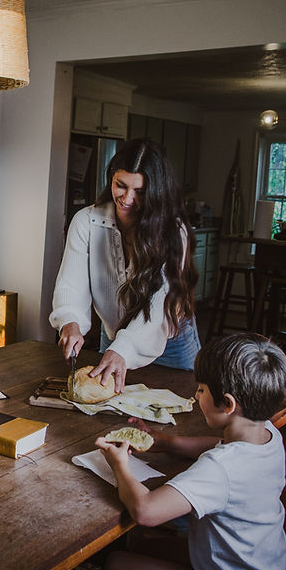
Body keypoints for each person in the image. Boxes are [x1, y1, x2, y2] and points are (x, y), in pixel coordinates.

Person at [95, 332, 286, 570]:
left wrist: (119, 464)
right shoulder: (268, 434)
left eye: (201, 390)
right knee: (143, 547)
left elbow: (146, 511)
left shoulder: (220, 468)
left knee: (116, 564)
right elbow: (220, 447)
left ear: (228, 404)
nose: (197, 396)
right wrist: (168, 442)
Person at [50, 137, 199, 394]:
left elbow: (161, 302)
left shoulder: (173, 231)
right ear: (111, 178)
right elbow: (70, 283)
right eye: (121, 185)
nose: (127, 198)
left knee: (180, 407)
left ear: (156, 191)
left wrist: (123, 349)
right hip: (114, 334)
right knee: (110, 408)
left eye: (140, 191)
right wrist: (70, 322)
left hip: (170, 341)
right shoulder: (86, 222)